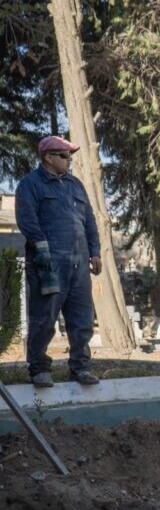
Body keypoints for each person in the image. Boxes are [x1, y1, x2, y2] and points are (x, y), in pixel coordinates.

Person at [14, 136, 102, 388]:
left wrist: (94, 252)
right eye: (64, 156)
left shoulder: (76, 186)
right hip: (48, 263)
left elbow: (90, 221)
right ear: (48, 158)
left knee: (82, 319)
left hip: (79, 265)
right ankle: (39, 369)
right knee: (43, 318)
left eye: (70, 156)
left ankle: (81, 368)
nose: (69, 160)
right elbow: (28, 221)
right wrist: (43, 253)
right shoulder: (31, 185)